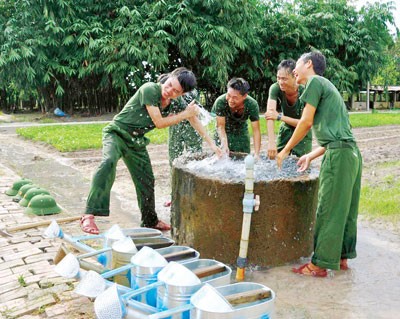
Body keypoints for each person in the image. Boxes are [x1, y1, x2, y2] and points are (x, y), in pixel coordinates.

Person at [81, 67, 221, 234]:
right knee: (108, 162)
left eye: (176, 91)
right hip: (117, 133)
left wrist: (212, 145)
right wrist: (185, 114)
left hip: (136, 141)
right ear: (169, 78)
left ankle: (150, 221)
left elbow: (193, 119)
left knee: (146, 180)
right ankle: (89, 214)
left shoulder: (176, 103)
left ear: (182, 93)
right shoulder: (149, 89)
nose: (169, 91)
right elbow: (159, 123)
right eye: (169, 85)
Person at [276, 51, 362, 277]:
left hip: (339, 156)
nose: (293, 70)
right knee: (345, 209)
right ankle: (341, 258)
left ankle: (319, 265)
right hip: (351, 153)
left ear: (309, 64)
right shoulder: (328, 87)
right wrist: (310, 156)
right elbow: (338, 135)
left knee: (328, 208)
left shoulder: (314, 82)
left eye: (297, 65)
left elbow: (305, 122)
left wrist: (284, 150)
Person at [265, 59, 312, 159]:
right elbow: (270, 114)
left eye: (284, 79)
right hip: (286, 129)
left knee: (301, 165)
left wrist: (279, 117)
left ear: (295, 76)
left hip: (302, 132)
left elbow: (304, 123)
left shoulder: (306, 91)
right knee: (276, 160)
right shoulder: (275, 88)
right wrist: (271, 142)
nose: (280, 82)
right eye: (278, 78)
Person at [211, 78, 261, 158]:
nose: (230, 100)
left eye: (235, 97)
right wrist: (224, 146)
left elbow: (256, 130)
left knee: (244, 161)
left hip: (241, 133)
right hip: (223, 133)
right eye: (228, 95)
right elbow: (220, 127)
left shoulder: (252, 104)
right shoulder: (220, 102)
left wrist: (257, 154)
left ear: (244, 96)